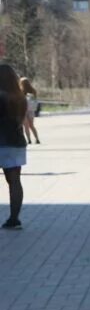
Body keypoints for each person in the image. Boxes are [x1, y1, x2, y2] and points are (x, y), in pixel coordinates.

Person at [0, 64, 27, 230]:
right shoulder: (20, 98)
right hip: (17, 141)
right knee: (15, 181)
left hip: (1, 141)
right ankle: (14, 217)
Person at [19, 77, 39, 144]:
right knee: (31, 125)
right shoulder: (33, 91)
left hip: (23, 110)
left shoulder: (21, 91)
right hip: (31, 110)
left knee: (26, 126)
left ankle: (29, 140)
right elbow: (35, 100)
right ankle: (37, 139)